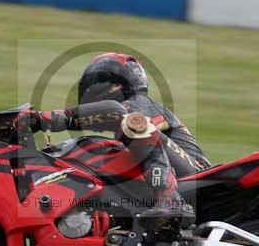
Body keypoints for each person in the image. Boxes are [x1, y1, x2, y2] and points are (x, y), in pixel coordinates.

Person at [16, 53, 211, 225]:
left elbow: (114, 112)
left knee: (133, 124)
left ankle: (170, 199)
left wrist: (45, 119)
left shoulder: (140, 104)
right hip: (185, 178)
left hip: (197, 177)